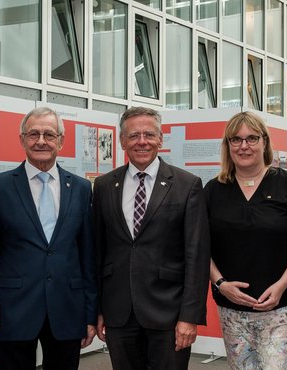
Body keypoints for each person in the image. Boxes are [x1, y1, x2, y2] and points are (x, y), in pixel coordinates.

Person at [92, 106, 210, 370]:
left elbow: (197, 256)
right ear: (122, 141)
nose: (141, 142)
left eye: (148, 135)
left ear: (160, 139)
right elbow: (98, 252)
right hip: (119, 313)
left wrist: (189, 316)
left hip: (169, 313)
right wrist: (98, 309)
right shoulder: (103, 185)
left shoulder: (186, 184)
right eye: (133, 136)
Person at [0, 107, 97, 370]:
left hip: (67, 307)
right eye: (33, 134)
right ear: (22, 139)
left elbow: (87, 255)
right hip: (14, 308)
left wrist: (90, 314)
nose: (41, 141)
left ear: (61, 140)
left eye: (49, 134)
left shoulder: (80, 188)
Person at [206, 112, 287, 369]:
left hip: (282, 306)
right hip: (232, 306)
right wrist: (220, 283)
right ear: (227, 146)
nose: (243, 146)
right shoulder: (213, 190)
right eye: (235, 139)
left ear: (264, 142)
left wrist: (280, 285)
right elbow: (198, 247)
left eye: (251, 138)